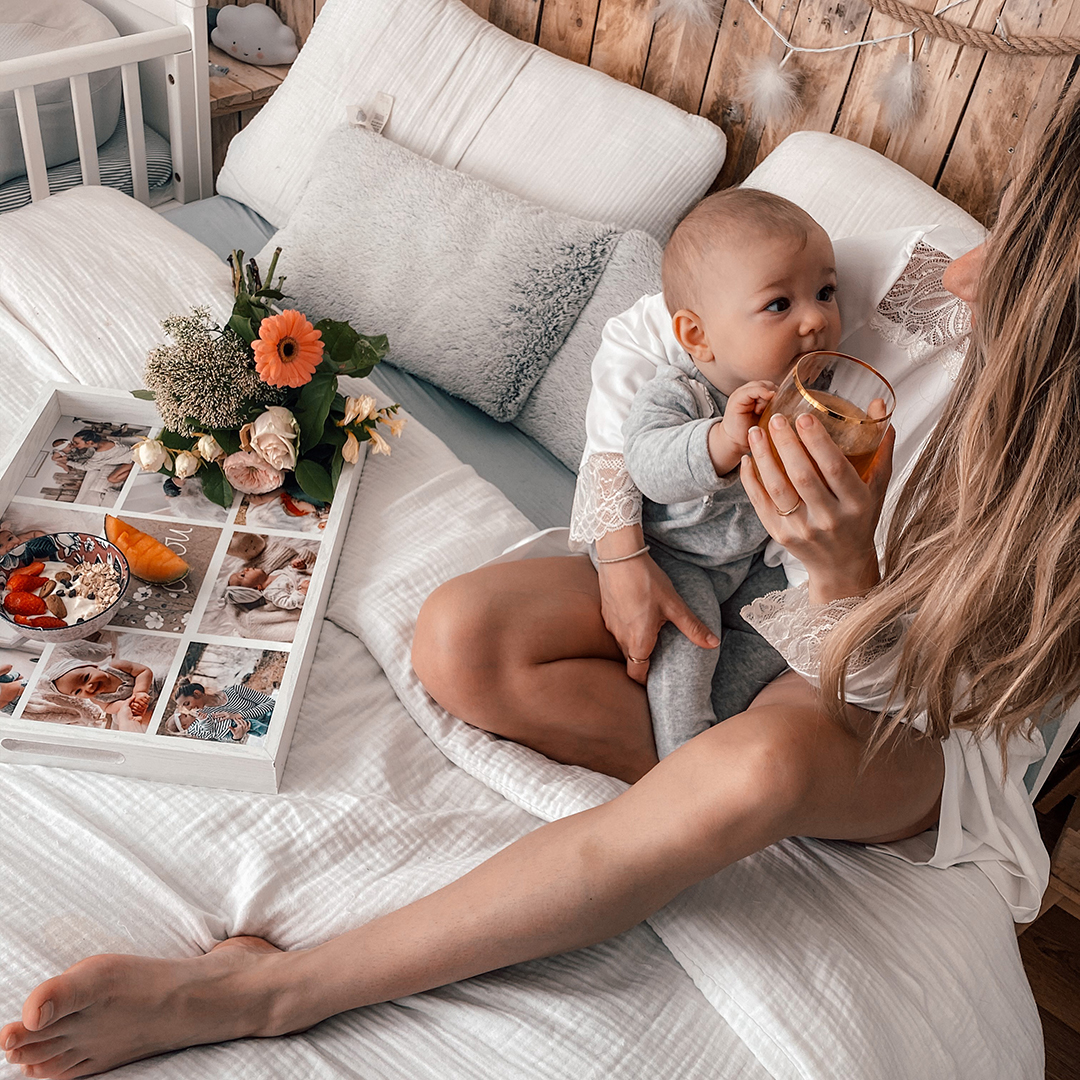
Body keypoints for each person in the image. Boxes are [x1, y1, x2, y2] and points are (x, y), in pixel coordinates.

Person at [3, 92, 1079, 1080]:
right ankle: (699, 796)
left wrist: (849, 577)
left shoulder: (1054, 465)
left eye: (1025, 248)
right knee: (461, 635)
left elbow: (967, 698)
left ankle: (271, 989)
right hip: (729, 602)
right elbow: (644, 340)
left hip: (903, 708)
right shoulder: (880, 271)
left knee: (768, 761)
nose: (971, 266)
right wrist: (618, 551)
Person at [619, 188, 840, 756]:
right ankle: (683, 748)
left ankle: (724, 724)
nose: (816, 319)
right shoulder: (681, 395)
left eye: (825, 292)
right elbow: (647, 469)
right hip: (678, 556)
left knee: (780, 639)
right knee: (694, 643)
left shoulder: (811, 399)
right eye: (779, 305)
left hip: (754, 564)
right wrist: (720, 440)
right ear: (698, 335)